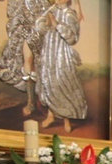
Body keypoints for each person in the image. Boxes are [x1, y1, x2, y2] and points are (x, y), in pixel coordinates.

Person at [35, 0, 87, 132]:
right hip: (48, 52)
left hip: (61, 54)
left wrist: (57, 24)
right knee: (48, 81)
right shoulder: (51, 10)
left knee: (62, 82)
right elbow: (39, 25)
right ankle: (51, 115)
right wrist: (45, 24)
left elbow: (73, 38)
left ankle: (66, 118)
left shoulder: (69, 14)